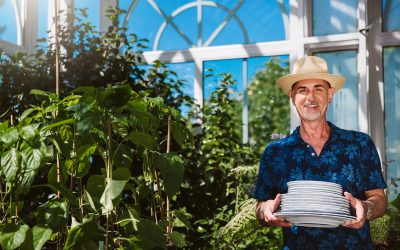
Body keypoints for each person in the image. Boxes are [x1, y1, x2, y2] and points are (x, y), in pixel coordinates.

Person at [253, 56, 387, 249]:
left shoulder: (359, 144)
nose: (311, 97)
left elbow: (379, 198)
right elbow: (260, 207)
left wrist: (366, 208)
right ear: (292, 97)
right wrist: (264, 210)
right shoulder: (275, 153)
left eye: (318, 89)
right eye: (302, 90)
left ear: (330, 94)